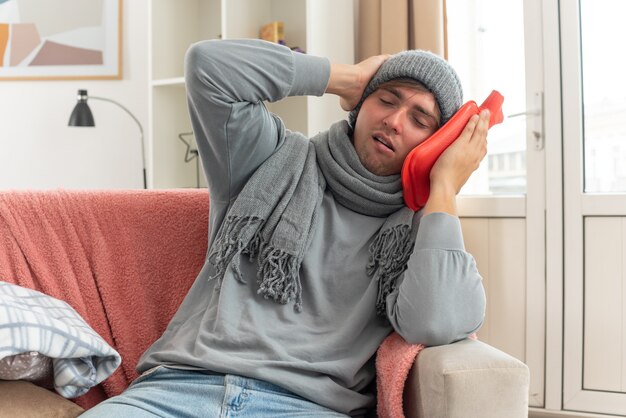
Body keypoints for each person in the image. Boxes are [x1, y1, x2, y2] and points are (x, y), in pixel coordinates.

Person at [82, 38, 488, 417]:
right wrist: (346, 78)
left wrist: (445, 186)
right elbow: (208, 67)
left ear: (437, 144)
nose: (395, 121)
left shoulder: (422, 230)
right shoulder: (268, 159)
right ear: (360, 104)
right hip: (177, 390)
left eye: (420, 119)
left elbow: (436, 321)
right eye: (385, 99)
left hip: (307, 406)